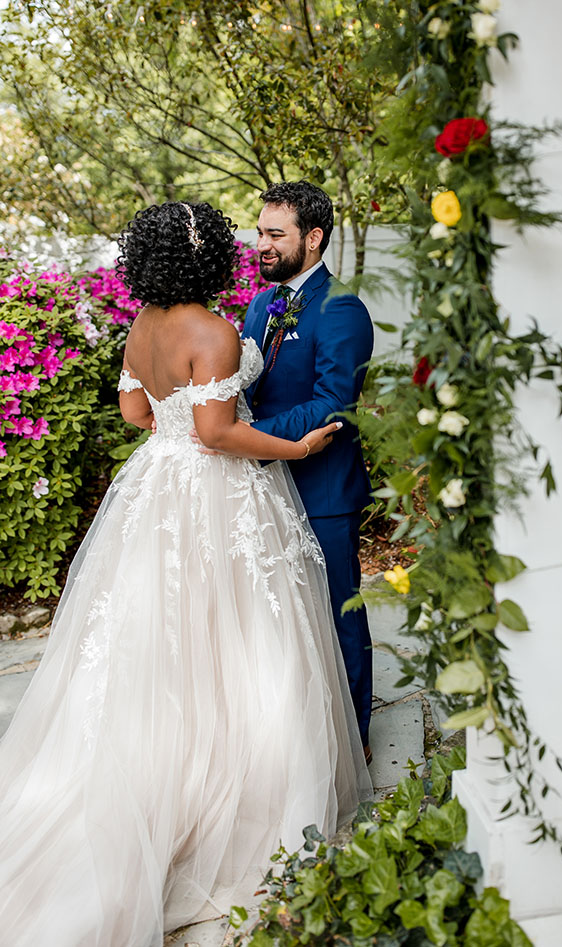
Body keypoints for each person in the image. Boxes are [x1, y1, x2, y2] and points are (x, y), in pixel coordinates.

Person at [0, 201, 372, 946]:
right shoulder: (217, 330)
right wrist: (295, 452)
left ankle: (160, 768)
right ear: (205, 259)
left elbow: (138, 413)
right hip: (220, 488)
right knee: (238, 636)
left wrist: (179, 422)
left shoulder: (141, 327)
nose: (252, 248)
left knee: (164, 635)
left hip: (155, 488)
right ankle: (230, 786)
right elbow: (217, 432)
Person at [242, 181, 375, 762]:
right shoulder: (259, 303)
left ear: (313, 238)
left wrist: (250, 440)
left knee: (336, 613)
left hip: (322, 490)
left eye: (276, 234)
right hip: (263, 486)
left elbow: (333, 403)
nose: (262, 244)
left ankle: (353, 742)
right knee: (280, 614)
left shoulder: (341, 308)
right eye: (261, 231)